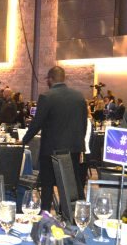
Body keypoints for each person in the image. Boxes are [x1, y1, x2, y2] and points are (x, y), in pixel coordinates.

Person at [21, 66, 87, 211]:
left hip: (51, 149)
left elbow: (37, 123)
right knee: (70, 185)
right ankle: (67, 214)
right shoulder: (79, 96)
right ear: (64, 78)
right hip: (74, 149)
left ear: (50, 79)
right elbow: (84, 123)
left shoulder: (46, 96)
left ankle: (46, 213)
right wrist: (79, 143)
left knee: (47, 185)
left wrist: (23, 141)